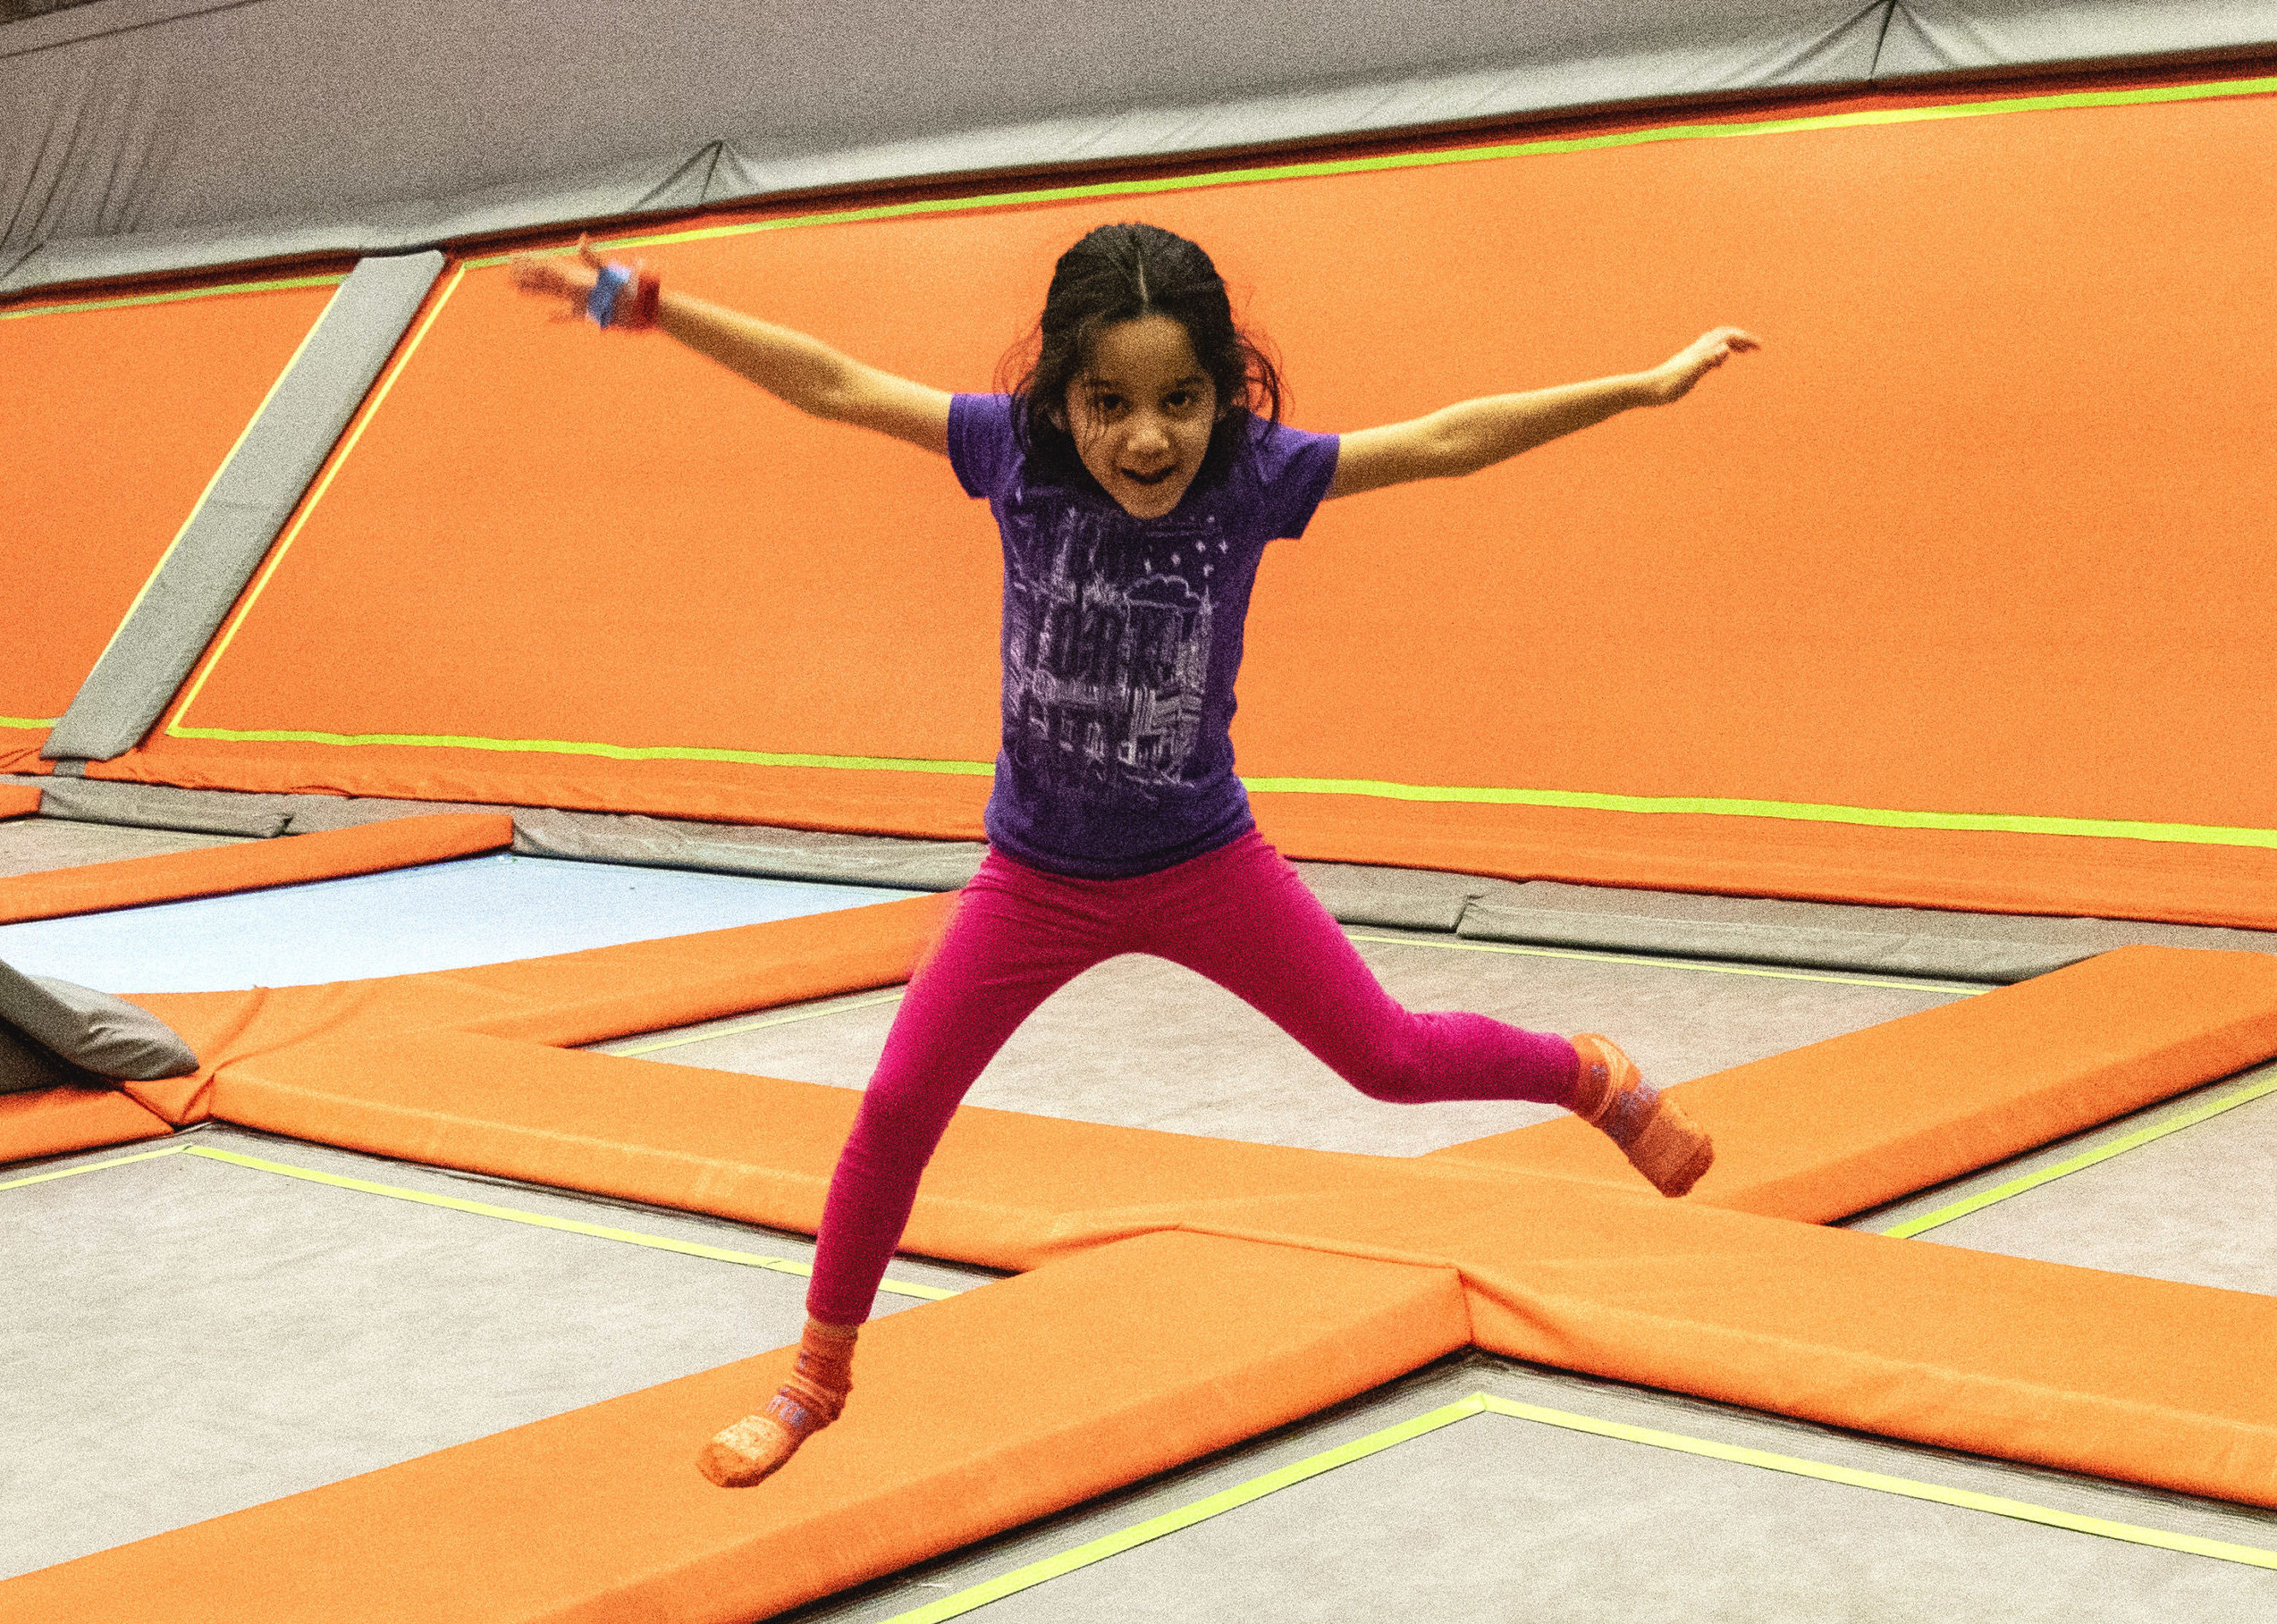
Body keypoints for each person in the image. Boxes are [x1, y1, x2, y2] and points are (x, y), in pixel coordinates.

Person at [511, 223, 1759, 1489]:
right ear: (1060, 395)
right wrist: (648, 305)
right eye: (1108, 404)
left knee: (1387, 1056)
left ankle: (1588, 1076)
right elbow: (831, 382)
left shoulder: (1256, 479)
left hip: (1202, 860)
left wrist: (1641, 387)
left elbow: (1445, 440)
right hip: (1034, 877)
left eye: (1182, 401)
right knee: (895, 1107)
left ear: (1227, 393)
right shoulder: (1010, 453)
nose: (1148, 438)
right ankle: (814, 1379)